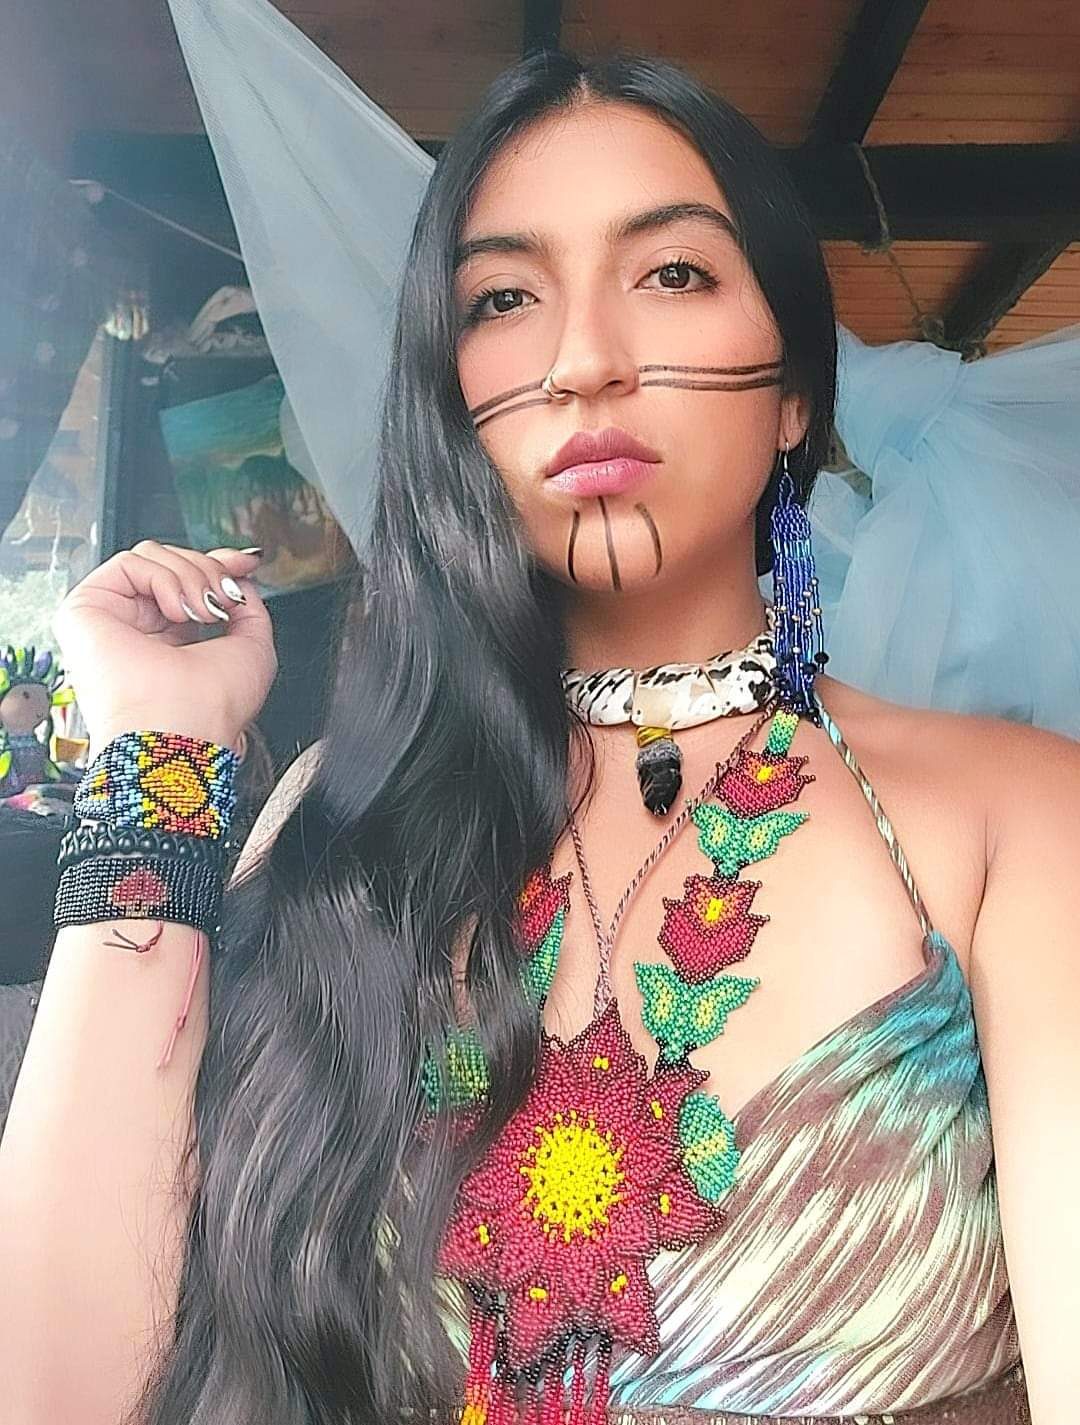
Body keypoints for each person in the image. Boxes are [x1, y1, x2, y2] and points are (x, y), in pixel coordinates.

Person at [0, 48, 1075, 1425]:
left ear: (797, 392)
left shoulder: (1016, 821)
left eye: (673, 273)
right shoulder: (350, 815)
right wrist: (158, 754)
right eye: (504, 299)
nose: (583, 362)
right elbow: (55, 1388)